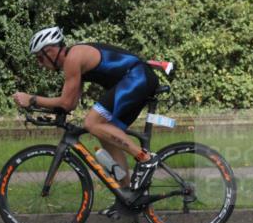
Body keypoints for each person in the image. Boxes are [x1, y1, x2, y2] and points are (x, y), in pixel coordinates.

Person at [11, 26, 159, 204]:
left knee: (91, 122)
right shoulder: (74, 61)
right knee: (106, 135)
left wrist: (32, 99)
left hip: (137, 77)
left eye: (40, 58)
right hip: (136, 80)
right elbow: (71, 103)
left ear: (50, 50)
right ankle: (127, 197)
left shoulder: (73, 58)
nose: (40, 64)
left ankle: (145, 159)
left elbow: (65, 102)